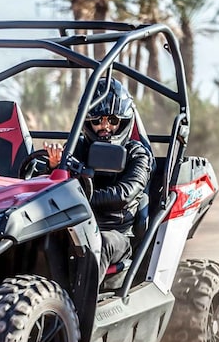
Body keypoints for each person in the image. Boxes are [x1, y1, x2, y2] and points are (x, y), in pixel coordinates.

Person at [44, 78, 152, 289]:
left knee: (99, 243)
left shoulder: (137, 154)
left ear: (123, 121)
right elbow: (56, 185)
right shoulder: (77, 147)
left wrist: (76, 199)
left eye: (112, 120)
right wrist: (54, 166)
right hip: (75, 225)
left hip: (117, 233)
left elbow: (124, 194)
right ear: (88, 122)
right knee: (41, 239)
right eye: (98, 121)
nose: (105, 127)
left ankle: (81, 316)